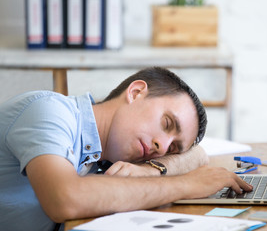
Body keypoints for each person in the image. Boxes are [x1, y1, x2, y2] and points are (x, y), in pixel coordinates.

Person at [0, 67, 252, 231]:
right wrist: (187, 185)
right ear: (136, 92)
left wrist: (153, 171)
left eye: (173, 147)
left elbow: (198, 154)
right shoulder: (48, 111)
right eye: (166, 124)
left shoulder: (108, 157)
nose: (161, 146)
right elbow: (64, 199)